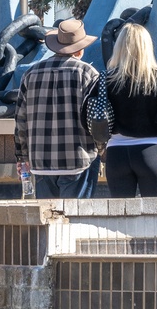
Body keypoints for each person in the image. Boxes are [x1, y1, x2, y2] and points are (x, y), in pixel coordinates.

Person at [13, 16, 102, 198]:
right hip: (79, 160)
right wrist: (100, 149)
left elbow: (21, 120)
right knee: (76, 220)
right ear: (80, 50)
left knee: (49, 220)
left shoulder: (31, 74)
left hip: (41, 163)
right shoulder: (88, 74)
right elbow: (97, 118)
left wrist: (22, 157)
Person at [103, 23, 157, 196]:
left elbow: (90, 116)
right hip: (150, 151)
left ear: (119, 46)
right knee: (154, 214)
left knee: (120, 215)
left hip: (116, 152)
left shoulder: (106, 79)